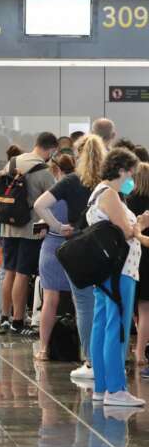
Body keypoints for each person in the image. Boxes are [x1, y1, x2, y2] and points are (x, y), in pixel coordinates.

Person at [38, 134, 108, 382]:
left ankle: (89, 359)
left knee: (84, 306)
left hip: (77, 247)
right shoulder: (107, 181)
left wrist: (58, 226)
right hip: (107, 249)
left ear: (78, 155)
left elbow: (40, 204)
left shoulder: (70, 181)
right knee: (108, 306)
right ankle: (109, 359)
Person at [86, 147, 146, 406]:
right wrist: (141, 223)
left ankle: (102, 386)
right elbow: (125, 231)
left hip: (108, 270)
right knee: (117, 326)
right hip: (120, 270)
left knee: (103, 324)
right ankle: (115, 388)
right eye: (130, 173)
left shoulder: (98, 193)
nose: (132, 179)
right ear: (121, 170)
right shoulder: (110, 194)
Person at [0, 132, 58, 337]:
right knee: (22, 274)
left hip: (8, 226)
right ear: (51, 150)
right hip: (29, 228)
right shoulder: (43, 170)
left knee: (9, 271)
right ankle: (18, 321)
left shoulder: (13, 162)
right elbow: (55, 199)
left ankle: (4, 318)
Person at [33, 154, 76, 361]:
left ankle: (43, 348)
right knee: (81, 301)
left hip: (51, 246)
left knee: (49, 300)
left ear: (55, 170)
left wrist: (54, 226)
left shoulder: (52, 194)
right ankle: (84, 349)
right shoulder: (80, 190)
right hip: (76, 247)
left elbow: (42, 215)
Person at [127, 162, 149, 374]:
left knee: (134, 307)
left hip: (133, 258)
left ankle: (135, 349)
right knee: (146, 309)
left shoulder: (128, 200)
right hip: (148, 257)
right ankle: (141, 352)